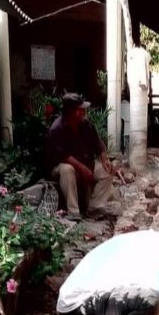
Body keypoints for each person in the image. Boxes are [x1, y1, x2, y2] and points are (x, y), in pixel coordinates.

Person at [45, 93, 116, 221]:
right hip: (62, 167)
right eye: (80, 109)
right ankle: (73, 211)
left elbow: (98, 144)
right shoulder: (57, 129)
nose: (84, 111)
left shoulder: (86, 125)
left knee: (108, 170)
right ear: (71, 112)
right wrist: (82, 168)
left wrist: (105, 159)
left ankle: (95, 207)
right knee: (67, 169)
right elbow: (63, 156)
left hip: (86, 164)